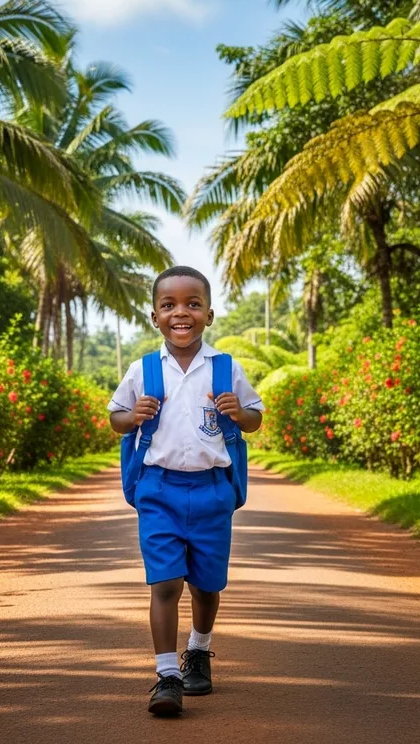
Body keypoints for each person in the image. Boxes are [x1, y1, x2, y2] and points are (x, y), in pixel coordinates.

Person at [108, 265, 265, 716]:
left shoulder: (226, 368)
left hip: (213, 491)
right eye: (169, 305)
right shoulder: (141, 370)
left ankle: (198, 650)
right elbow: (115, 418)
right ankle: (166, 676)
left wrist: (240, 413)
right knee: (165, 582)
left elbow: (255, 418)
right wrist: (132, 415)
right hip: (159, 490)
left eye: (193, 304)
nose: (182, 312)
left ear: (209, 314)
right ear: (154, 316)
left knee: (206, 585)